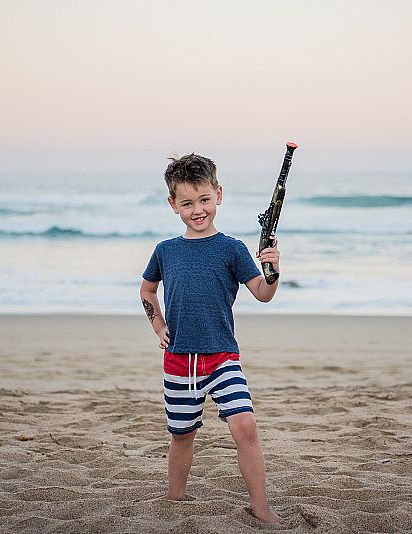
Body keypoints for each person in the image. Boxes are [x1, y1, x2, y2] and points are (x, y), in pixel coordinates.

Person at [140, 153, 281, 523]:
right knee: (182, 434)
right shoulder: (165, 251)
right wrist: (158, 326)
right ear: (174, 205)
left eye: (204, 199)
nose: (197, 209)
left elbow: (263, 295)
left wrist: (273, 270)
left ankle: (260, 507)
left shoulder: (232, 249)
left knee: (245, 427)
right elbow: (147, 291)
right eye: (187, 203)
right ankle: (174, 497)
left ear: (218, 194)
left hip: (222, 357)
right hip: (179, 359)